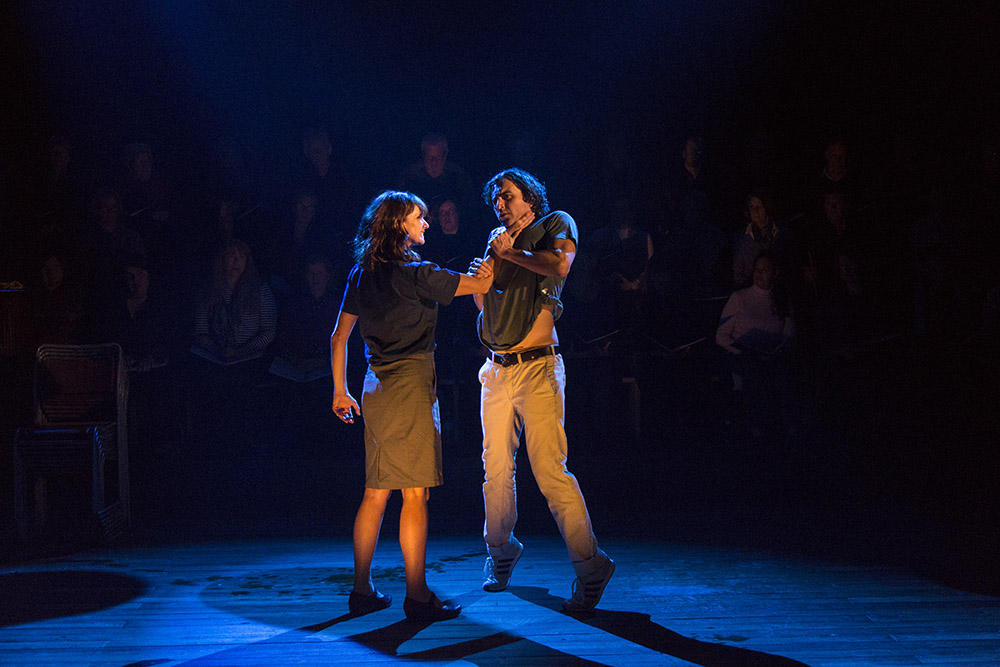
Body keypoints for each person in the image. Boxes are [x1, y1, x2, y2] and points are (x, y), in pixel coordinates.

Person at [329, 191, 493, 622]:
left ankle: (362, 590)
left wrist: (340, 391)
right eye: (419, 217)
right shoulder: (418, 273)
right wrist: (495, 259)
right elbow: (479, 286)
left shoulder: (361, 273)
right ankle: (417, 596)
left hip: (374, 386)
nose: (426, 223)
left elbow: (338, 337)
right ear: (399, 224)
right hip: (410, 386)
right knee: (415, 493)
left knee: (375, 492)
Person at [469, 168, 614, 613]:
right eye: (495, 199)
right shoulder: (497, 240)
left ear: (530, 198)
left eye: (507, 196)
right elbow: (487, 304)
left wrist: (510, 254)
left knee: (550, 470)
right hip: (496, 370)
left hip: (538, 369)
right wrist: (482, 278)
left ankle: (591, 565)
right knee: (495, 470)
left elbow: (560, 265)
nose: (500, 204)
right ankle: (501, 550)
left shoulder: (556, 223)